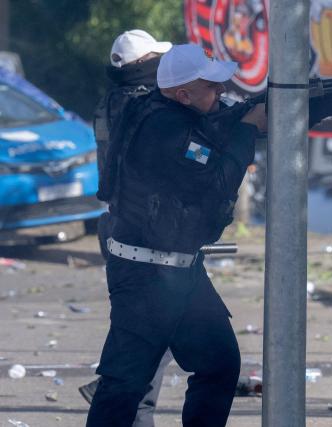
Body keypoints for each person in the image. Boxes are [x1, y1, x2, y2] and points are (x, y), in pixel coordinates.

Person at [86, 43, 332, 427]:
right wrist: (245, 130)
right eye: (212, 86)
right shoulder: (163, 129)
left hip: (180, 271)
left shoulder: (186, 111)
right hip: (145, 275)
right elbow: (216, 180)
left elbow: (262, 114)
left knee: (219, 365)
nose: (222, 92)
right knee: (124, 384)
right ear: (183, 93)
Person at [81, 29, 174, 427]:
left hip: (121, 225)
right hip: (141, 233)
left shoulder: (114, 101)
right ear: (144, 65)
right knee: (161, 327)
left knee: (141, 326)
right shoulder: (141, 106)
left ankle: (114, 390)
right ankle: (120, 396)